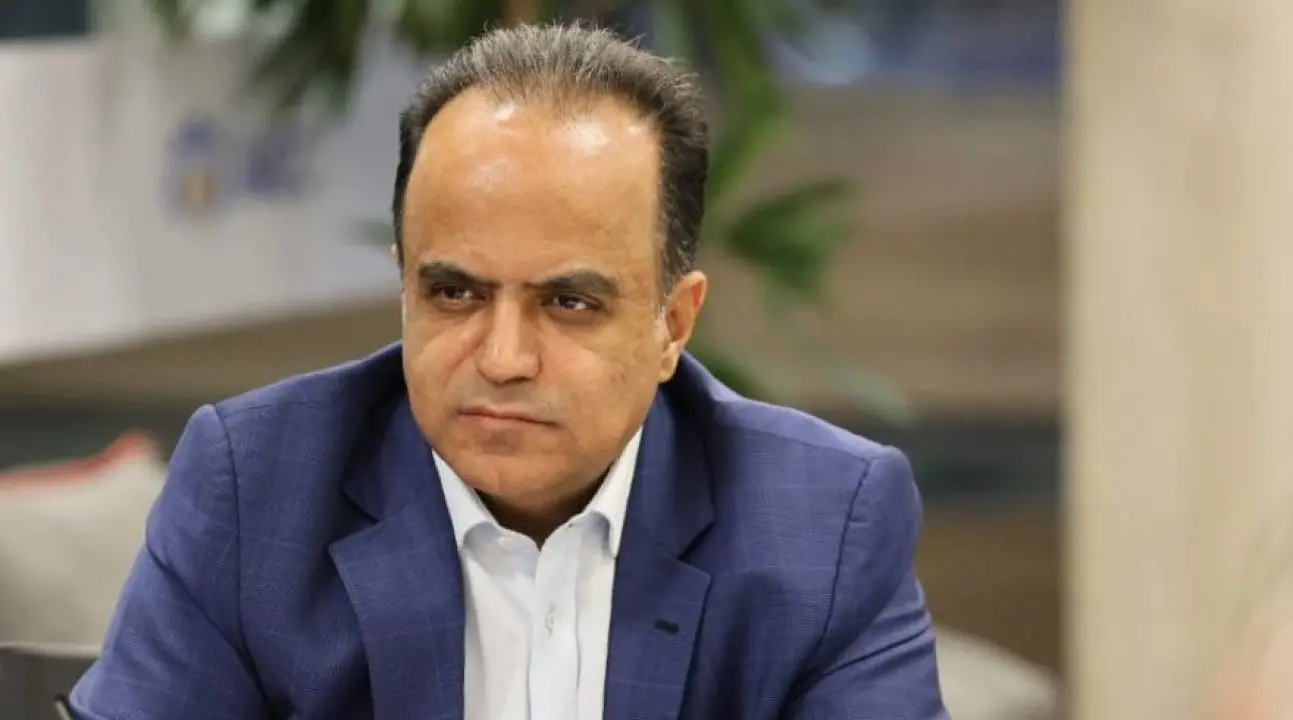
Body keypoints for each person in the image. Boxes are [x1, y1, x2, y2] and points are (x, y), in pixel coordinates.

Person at [69, 23, 947, 719]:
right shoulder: (254, 486)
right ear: (403, 286)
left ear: (672, 325)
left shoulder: (825, 522)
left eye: (569, 303)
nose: (502, 359)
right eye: (454, 293)